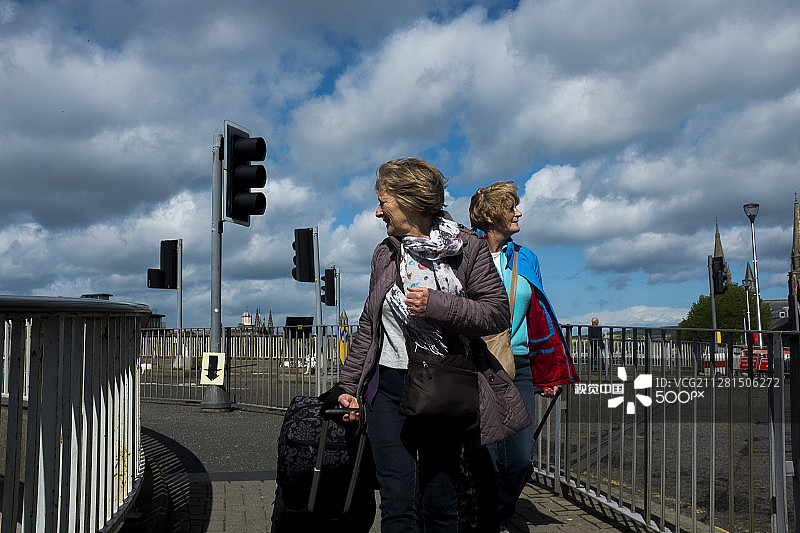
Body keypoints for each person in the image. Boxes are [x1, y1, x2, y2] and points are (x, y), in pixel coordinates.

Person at [335, 157, 515, 532]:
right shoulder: (384, 252)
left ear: (410, 199)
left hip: (443, 390)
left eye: (383, 200)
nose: (377, 211)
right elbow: (369, 324)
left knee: (440, 505)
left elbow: (497, 313)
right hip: (388, 390)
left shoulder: (468, 248)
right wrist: (349, 386)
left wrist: (437, 304)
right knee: (397, 504)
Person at [469, 181, 579, 532]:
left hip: (519, 365)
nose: (518, 212)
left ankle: (497, 511)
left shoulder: (527, 257)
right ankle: (484, 519)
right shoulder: (464, 253)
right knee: (482, 456)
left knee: (519, 458)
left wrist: (550, 373)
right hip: (474, 367)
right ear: (488, 215)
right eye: (510, 206)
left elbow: (539, 316)